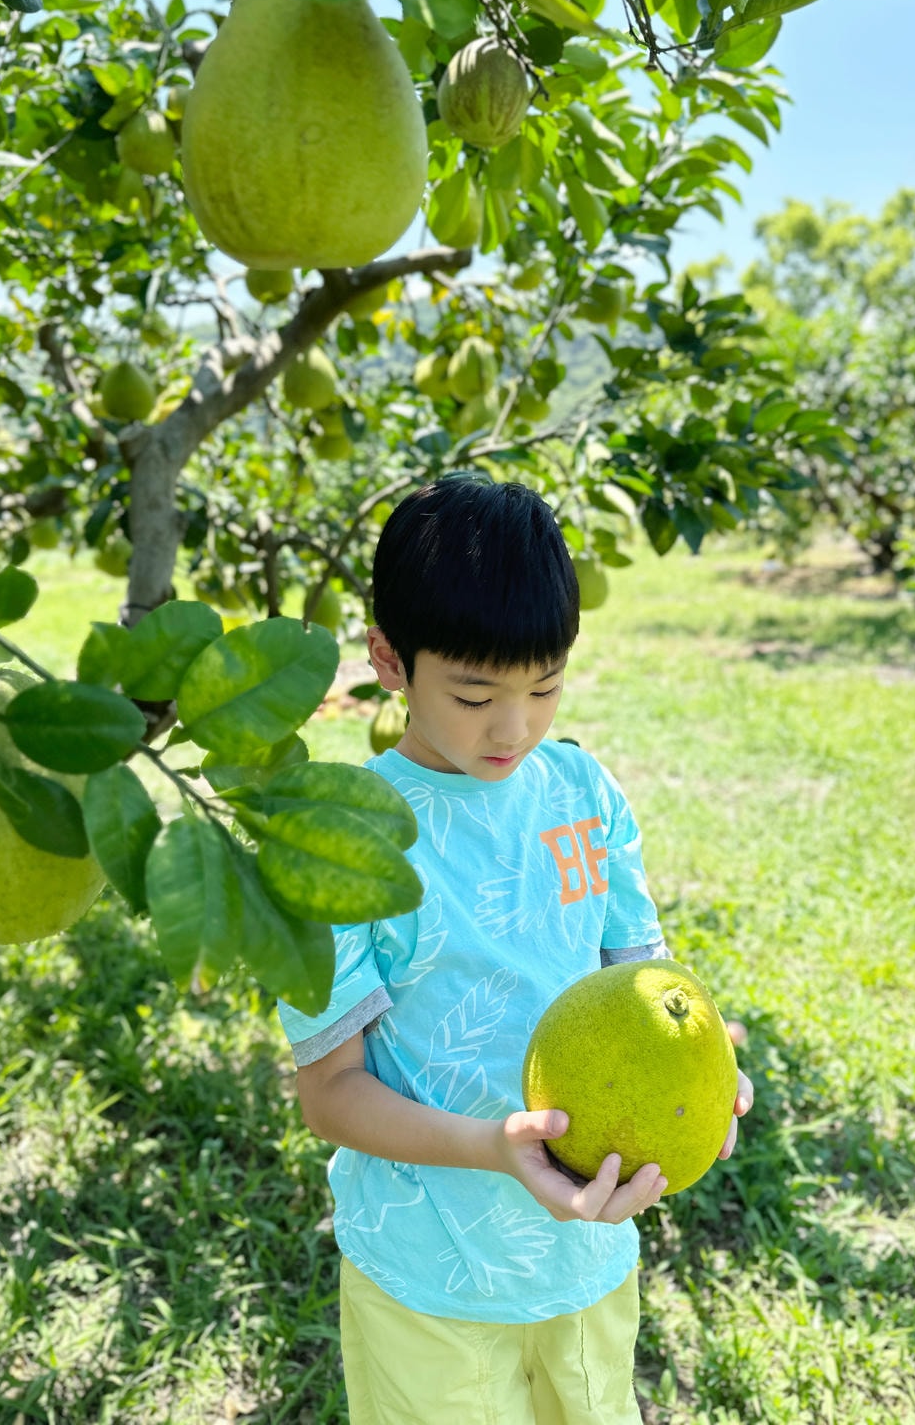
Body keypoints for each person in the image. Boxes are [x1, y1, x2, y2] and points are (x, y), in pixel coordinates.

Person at [276, 476, 753, 1424]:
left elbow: (645, 987)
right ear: (389, 660)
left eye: (544, 686)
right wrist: (493, 1151)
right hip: (429, 1273)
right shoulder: (342, 840)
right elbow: (330, 1092)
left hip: (585, 1259)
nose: (514, 728)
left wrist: (706, 1077)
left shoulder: (583, 792)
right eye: (474, 692)